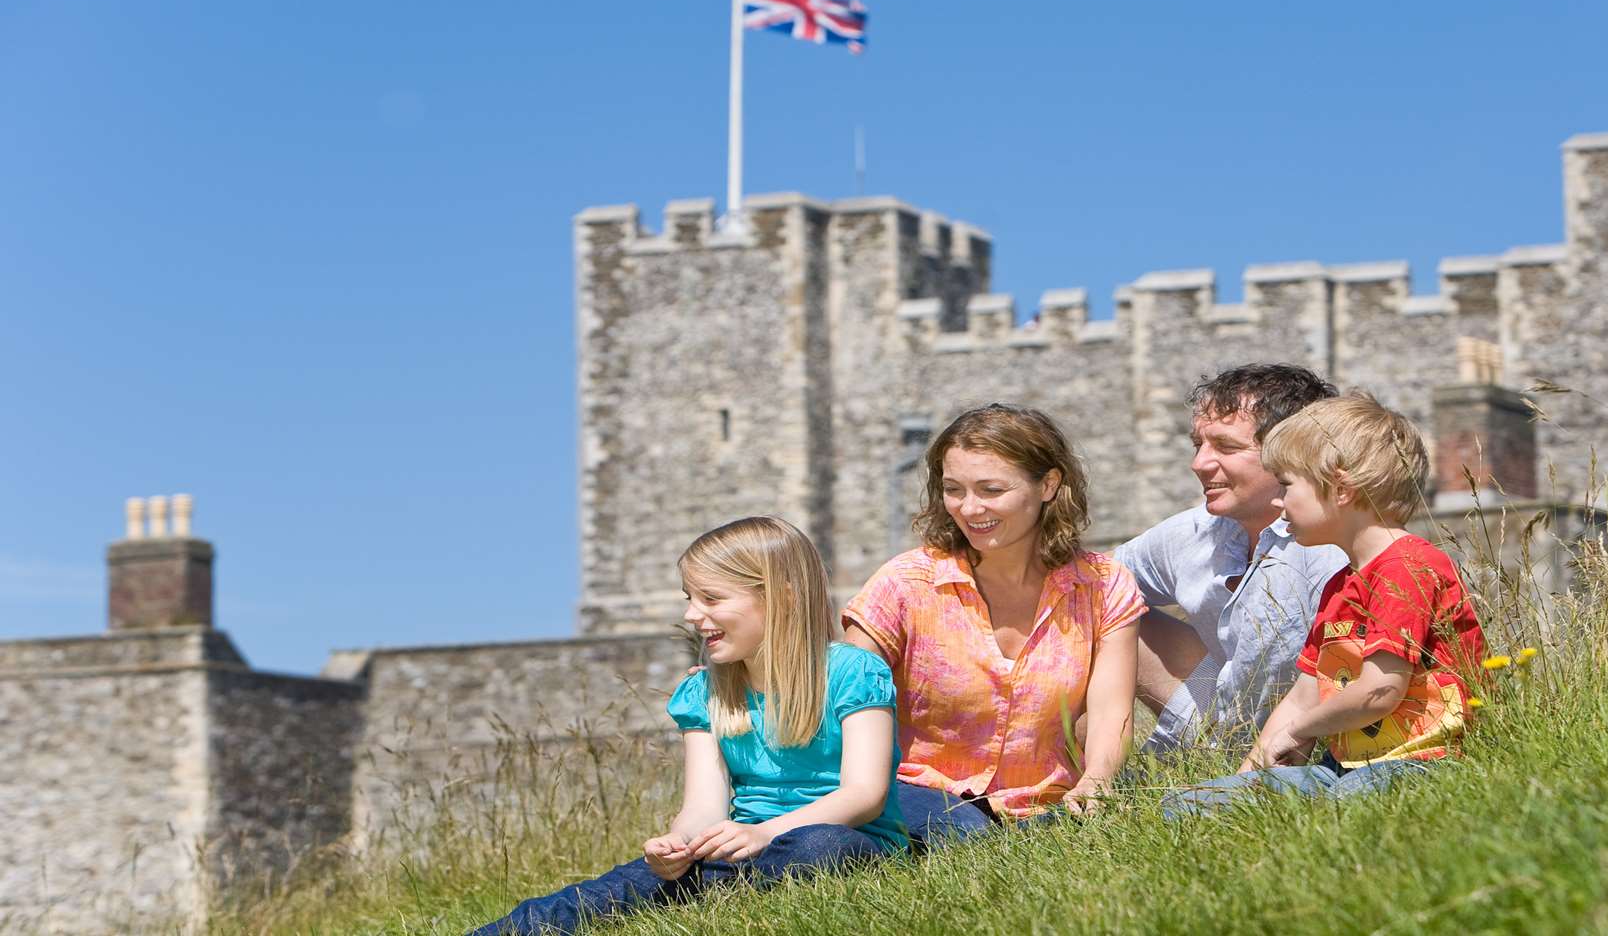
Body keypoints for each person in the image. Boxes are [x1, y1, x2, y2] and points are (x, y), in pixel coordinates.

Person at [470, 517, 907, 936]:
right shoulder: (704, 691)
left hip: (847, 839)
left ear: (784, 597)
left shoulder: (854, 671)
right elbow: (703, 806)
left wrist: (765, 833)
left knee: (818, 848)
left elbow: (864, 796)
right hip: (735, 851)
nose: (693, 616)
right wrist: (678, 843)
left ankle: (722, 896)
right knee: (614, 888)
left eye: (712, 599)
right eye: (689, 599)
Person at [1163, 392, 1487, 814]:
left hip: (1424, 762)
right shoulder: (1341, 584)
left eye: (1286, 485)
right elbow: (1304, 695)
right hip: (1343, 768)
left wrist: (1299, 730)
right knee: (1188, 805)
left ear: (1340, 487)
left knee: (1344, 807)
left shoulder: (1408, 567)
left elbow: (1379, 692)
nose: (1278, 502)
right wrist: (1251, 779)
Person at [842, 404, 1145, 842]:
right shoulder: (904, 584)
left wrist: (1096, 782)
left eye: (990, 489)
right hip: (917, 790)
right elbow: (840, 695)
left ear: (1048, 485)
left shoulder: (1104, 585)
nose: (969, 508)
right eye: (953, 490)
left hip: (1044, 800)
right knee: (968, 834)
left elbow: (1110, 712)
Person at [1116, 363, 1350, 751]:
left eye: (1225, 447)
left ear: (1291, 452)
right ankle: (1060, 781)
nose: (1199, 464)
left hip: (1310, 744)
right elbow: (1081, 576)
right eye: (1198, 445)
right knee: (1093, 602)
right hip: (1220, 718)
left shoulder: (1336, 548)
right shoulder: (1197, 530)